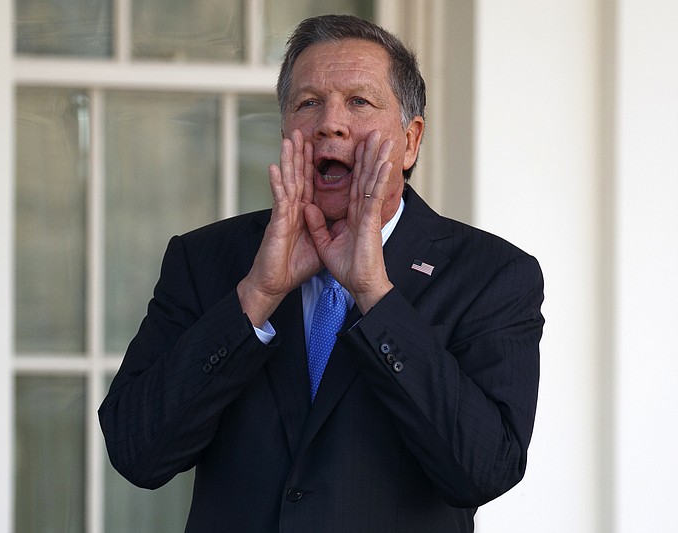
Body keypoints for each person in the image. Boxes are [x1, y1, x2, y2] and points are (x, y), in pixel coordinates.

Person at [99, 14, 544, 533]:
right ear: (286, 130)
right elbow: (136, 451)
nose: (330, 123)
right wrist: (256, 297)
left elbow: (484, 470)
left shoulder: (491, 275)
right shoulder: (206, 260)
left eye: (359, 101)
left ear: (410, 141)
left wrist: (376, 297)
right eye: (308, 103)